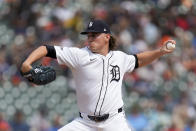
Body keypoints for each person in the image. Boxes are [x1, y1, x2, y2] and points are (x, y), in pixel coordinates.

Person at [21, 19, 176, 131]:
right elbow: (46, 49)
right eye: (88, 36)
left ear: (107, 37)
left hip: (114, 122)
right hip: (84, 123)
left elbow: (139, 60)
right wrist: (26, 64)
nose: (90, 39)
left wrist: (160, 51)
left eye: (94, 35)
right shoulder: (79, 55)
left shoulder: (119, 58)